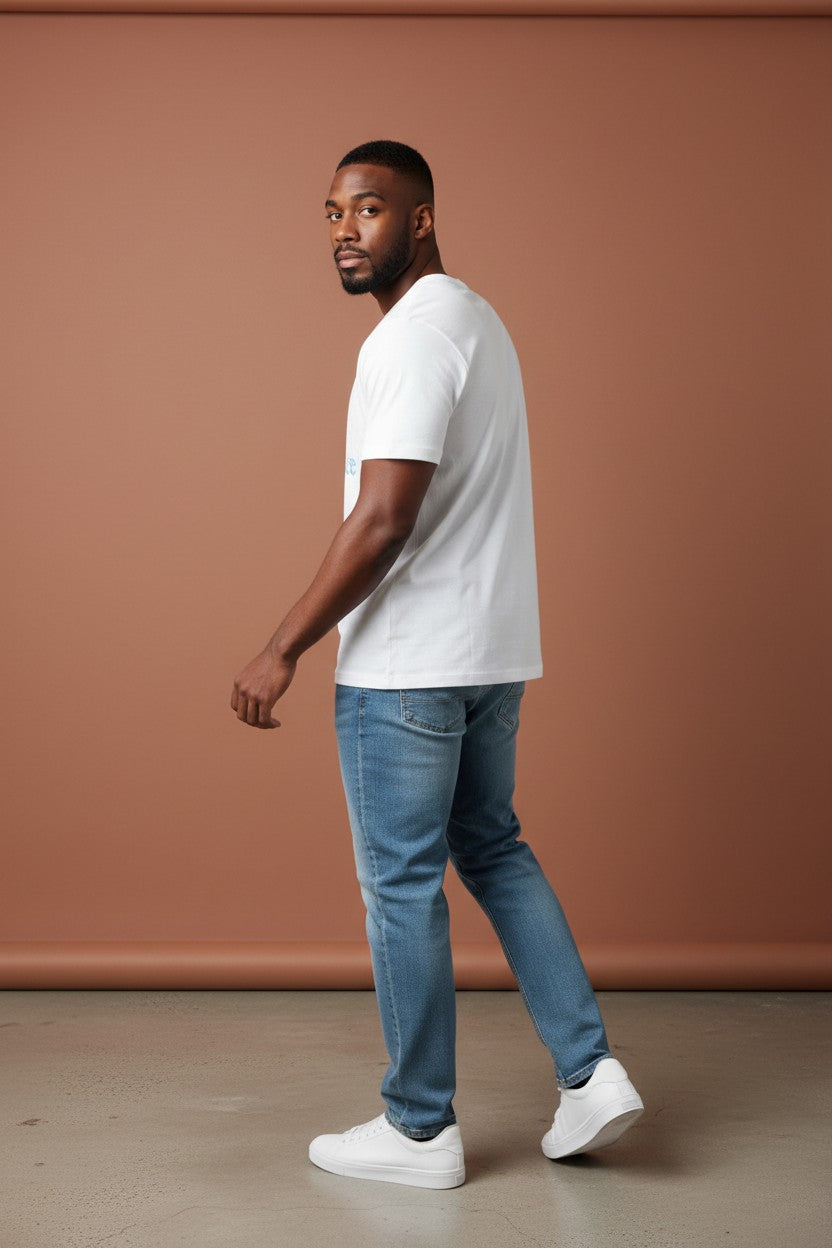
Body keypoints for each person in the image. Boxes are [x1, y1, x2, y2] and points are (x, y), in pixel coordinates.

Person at [230, 139, 644, 1189]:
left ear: (419, 219)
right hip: (490, 655)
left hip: (409, 669)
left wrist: (281, 647)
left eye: (366, 210)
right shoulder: (478, 319)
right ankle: (590, 1074)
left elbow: (382, 520)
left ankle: (419, 1130)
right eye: (329, 213)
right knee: (493, 849)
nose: (342, 231)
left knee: (401, 884)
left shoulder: (411, 340)